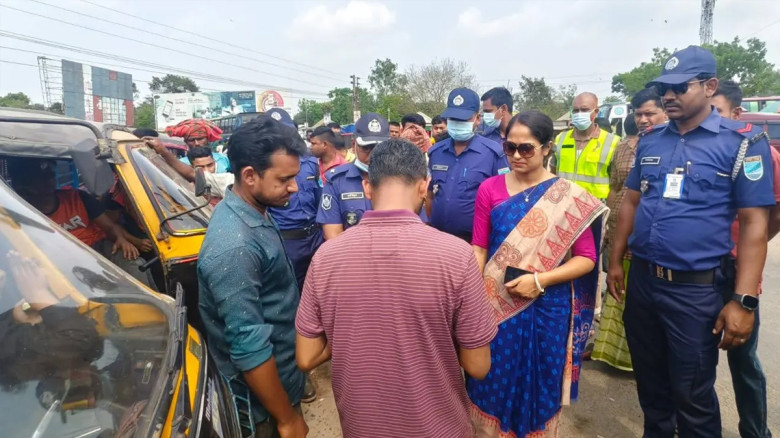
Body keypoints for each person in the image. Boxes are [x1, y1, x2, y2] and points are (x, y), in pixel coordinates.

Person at [607, 46, 775, 437]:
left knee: (692, 395)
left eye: (680, 87)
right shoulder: (651, 141)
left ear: (710, 86)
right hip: (645, 283)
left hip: (695, 291)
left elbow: (754, 225)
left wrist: (744, 301)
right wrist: (616, 262)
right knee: (651, 388)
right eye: (664, 88)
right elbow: (631, 200)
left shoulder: (743, 144)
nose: (669, 95)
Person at [296, 139, 497, 438]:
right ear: (423, 186)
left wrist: (355, 334)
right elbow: (478, 366)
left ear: (367, 187)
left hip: (362, 427)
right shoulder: (457, 255)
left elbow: (306, 357)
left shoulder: (326, 257)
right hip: (439, 427)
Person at [467, 111, 607, 437]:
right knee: (491, 375)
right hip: (497, 301)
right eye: (509, 147)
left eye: (526, 148)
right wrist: (470, 299)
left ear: (547, 148)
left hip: (548, 305)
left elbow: (586, 259)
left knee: (541, 376)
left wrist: (540, 280)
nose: (516, 155)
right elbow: (479, 249)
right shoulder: (489, 189)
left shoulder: (569, 196)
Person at [197, 115, 308, 438]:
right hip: (263, 409)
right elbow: (249, 347)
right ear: (249, 176)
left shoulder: (254, 212)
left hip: (282, 383)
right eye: (285, 179)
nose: (294, 187)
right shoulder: (234, 246)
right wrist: (286, 419)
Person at [713, 79, 779, 438]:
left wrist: (746, 252)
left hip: (740, 273)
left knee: (744, 361)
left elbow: (773, 215)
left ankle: (755, 431)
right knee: (697, 359)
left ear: (737, 114)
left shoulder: (762, 154)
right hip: (702, 270)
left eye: (719, 113)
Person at [8, 158, 152, 286]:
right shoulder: (18, 212)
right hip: (56, 262)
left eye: (50, 175)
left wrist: (120, 239)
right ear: (23, 184)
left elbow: (110, 227)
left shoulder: (78, 198)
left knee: (135, 265)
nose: (49, 180)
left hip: (97, 249)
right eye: (40, 178)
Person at [592, 94, 655, 371]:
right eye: (639, 114)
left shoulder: (668, 148)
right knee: (615, 291)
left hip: (645, 238)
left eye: (650, 114)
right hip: (617, 228)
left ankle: (638, 358)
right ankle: (610, 354)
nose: (643, 120)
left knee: (639, 299)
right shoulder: (623, 147)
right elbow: (616, 188)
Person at [426, 87, 508, 242]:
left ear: (477, 118)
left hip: (475, 243)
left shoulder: (493, 153)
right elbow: (430, 196)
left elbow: (503, 202)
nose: (457, 124)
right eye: (453, 119)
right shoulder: (436, 152)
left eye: (464, 120)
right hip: (439, 240)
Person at [316, 113, 389, 240]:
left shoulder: (402, 178)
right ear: (354, 143)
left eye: (380, 148)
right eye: (367, 147)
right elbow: (332, 235)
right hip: (352, 256)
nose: (374, 154)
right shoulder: (336, 181)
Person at [550, 92, 621, 201]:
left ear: (596, 112)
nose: (579, 114)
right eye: (575, 110)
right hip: (564, 204)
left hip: (596, 207)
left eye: (584, 110)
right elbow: (553, 173)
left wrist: (609, 215)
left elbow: (616, 185)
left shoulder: (612, 142)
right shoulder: (560, 139)